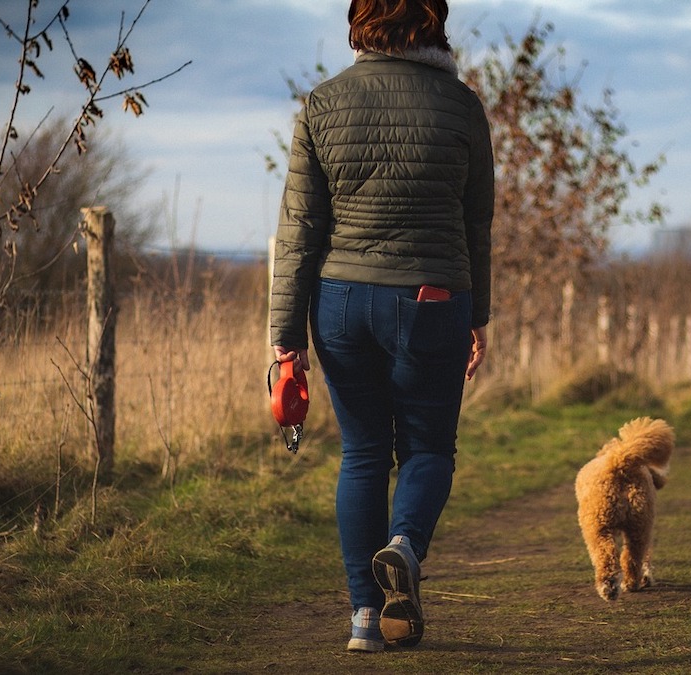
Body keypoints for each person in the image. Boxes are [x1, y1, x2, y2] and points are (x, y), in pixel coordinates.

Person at [268, 0, 493, 653]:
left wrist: (286, 336)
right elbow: (476, 224)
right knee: (427, 450)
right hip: (431, 297)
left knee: (362, 453)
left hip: (340, 302)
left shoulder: (323, 103)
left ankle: (366, 617)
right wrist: (477, 315)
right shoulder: (461, 107)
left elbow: (298, 229)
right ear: (434, 23)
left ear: (360, 22)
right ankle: (403, 547)